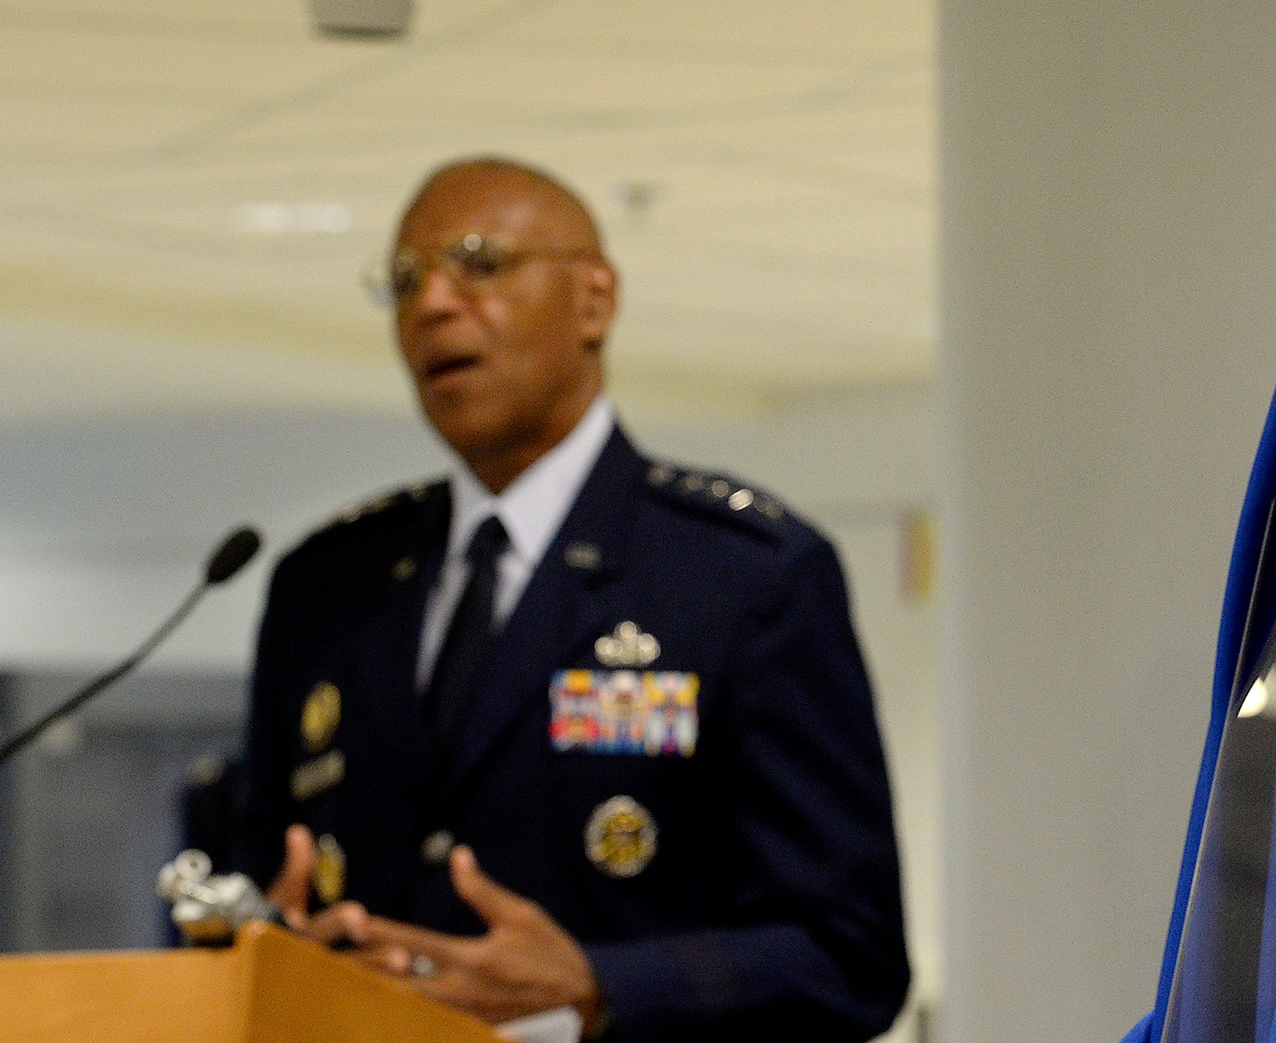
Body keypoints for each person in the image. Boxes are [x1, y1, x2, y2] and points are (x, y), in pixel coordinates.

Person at [234, 158, 910, 1041]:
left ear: (594, 301)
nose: (433, 303)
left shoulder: (743, 576)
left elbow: (851, 953)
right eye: (404, 280)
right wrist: (269, 941)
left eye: (479, 263)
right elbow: (253, 884)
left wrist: (602, 985)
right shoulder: (326, 586)